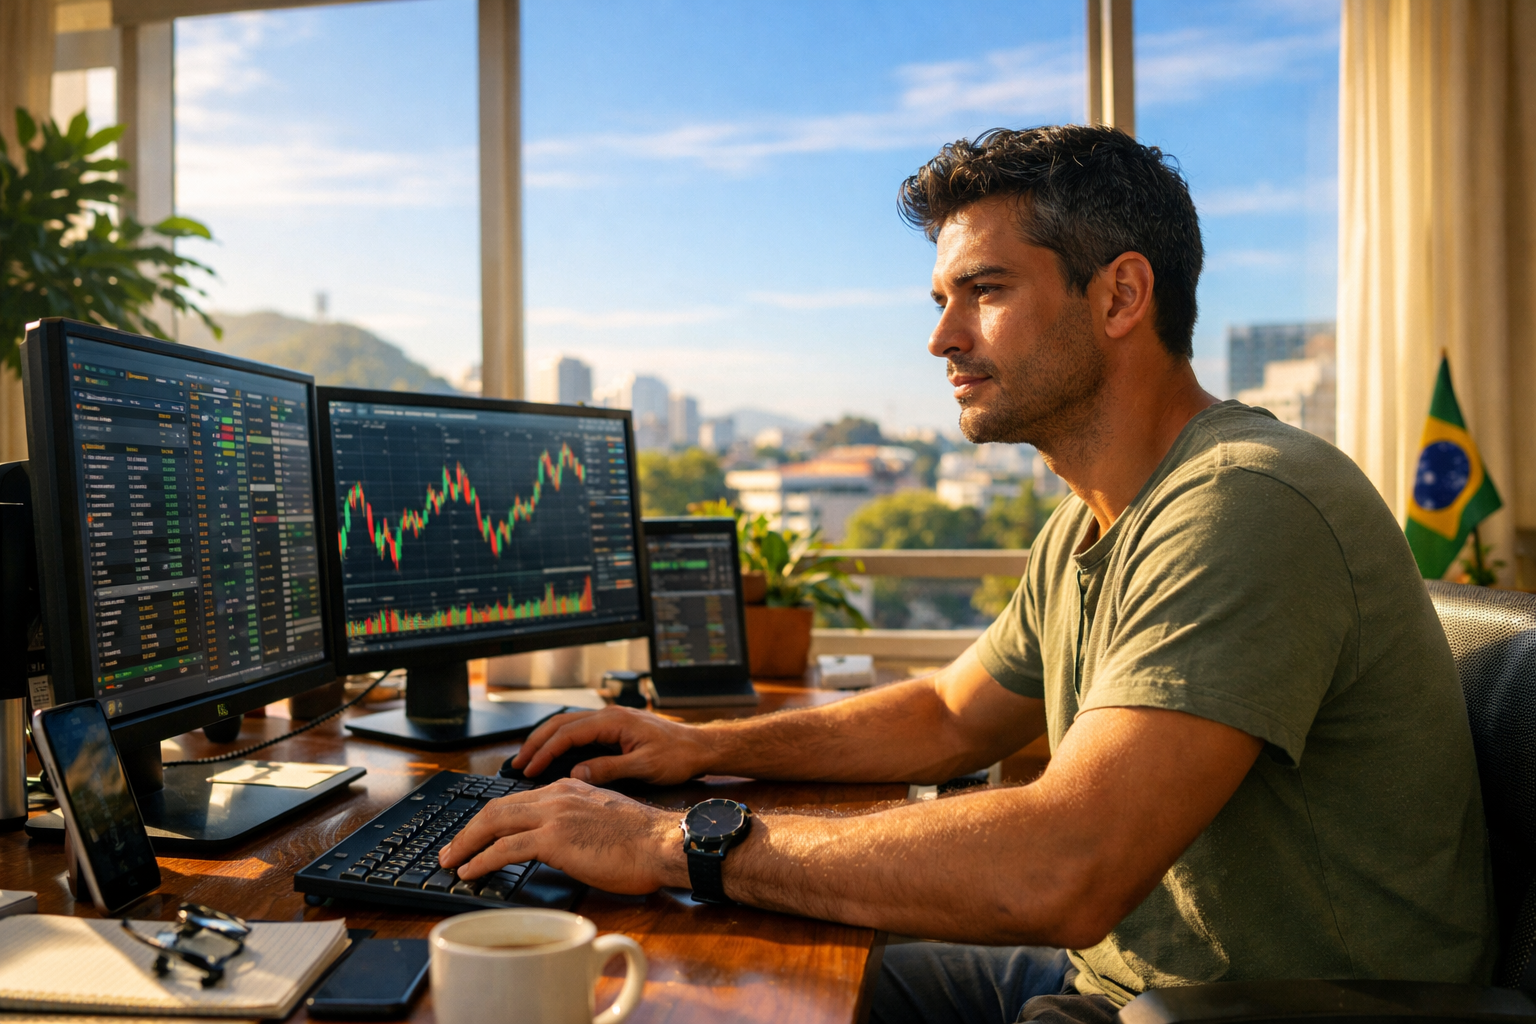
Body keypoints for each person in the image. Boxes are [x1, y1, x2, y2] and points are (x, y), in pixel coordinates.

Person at [439, 125, 1495, 1024]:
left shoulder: (1246, 501)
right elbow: (951, 715)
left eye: (984, 292)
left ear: (1124, 292)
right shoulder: (1095, 515)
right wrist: (701, 749)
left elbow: (1064, 864)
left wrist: (673, 841)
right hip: (1119, 976)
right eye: (942, 297)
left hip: (1261, 1005)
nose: (942, 337)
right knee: (731, 973)